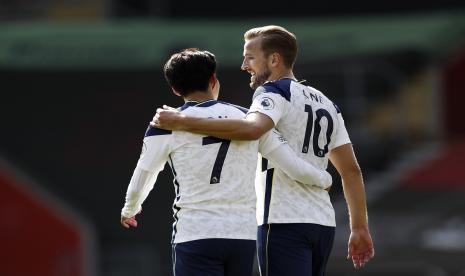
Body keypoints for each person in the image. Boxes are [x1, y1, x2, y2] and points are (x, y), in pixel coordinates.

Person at [152, 26, 375, 275]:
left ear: (274, 59)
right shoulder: (328, 104)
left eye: (250, 57)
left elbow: (251, 130)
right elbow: (351, 171)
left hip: (282, 221)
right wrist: (359, 228)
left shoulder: (272, 92)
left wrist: (182, 121)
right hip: (322, 222)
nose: (244, 65)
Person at [121, 48, 333, 276]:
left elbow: (144, 173)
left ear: (174, 89)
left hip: (195, 232)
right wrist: (324, 178)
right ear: (213, 80)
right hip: (241, 235)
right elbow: (291, 164)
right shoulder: (249, 121)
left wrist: (130, 208)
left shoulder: (165, 124)